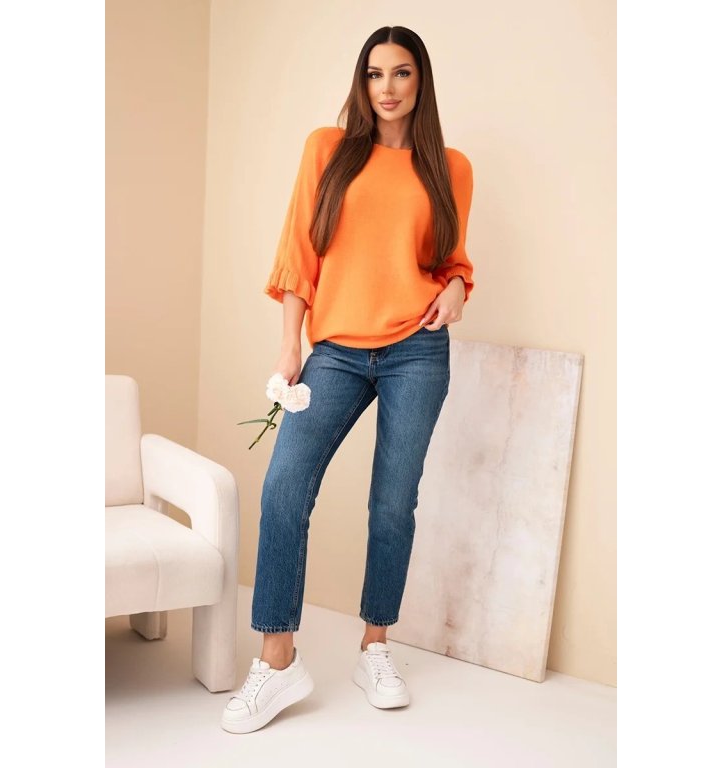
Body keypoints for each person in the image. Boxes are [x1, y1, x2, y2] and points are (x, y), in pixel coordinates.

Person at [221, 25, 475, 734]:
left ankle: (375, 647)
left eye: (401, 73)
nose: (386, 88)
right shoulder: (326, 150)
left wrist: (458, 287)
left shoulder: (451, 168)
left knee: (393, 503)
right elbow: (298, 255)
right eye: (374, 73)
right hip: (334, 350)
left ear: (420, 81)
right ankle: (277, 660)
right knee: (284, 488)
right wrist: (290, 345)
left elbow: (452, 259)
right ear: (361, 82)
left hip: (418, 350)